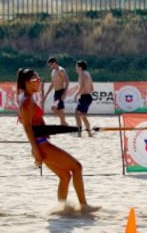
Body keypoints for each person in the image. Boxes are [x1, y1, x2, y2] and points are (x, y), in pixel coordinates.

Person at [17, 68, 101, 213]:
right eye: (35, 80)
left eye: (39, 78)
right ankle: (84, 205)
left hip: (40, 143)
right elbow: (27, 128)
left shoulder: (27, 98)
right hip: (41, 145)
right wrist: (36, 151)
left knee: (65, 175)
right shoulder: (27, 102)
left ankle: (61, 208)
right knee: (77, 167)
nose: (39, 81)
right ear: (26, 83)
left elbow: (35, 124)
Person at [43, 57, 69, 126]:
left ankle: (64, 122)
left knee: (53, 108)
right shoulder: (53, 71)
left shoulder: (61, 70)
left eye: (50, 65)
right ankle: (63, 123)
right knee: (60, 109)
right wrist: (46, 94)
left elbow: (67, 81)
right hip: (56, 92)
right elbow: (52, 84)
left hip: (61, 91)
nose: (50, 67)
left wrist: (64, 93)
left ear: (54, 63)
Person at [74, 60, 94, 137]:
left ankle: (79, 133)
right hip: (87, 96)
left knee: (77, 114)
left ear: (80, 67)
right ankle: (89, 133)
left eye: (76, 66)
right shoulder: (87, 73)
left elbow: (82, 86)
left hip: (85, 97)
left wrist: (76, 94)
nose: (75, 68)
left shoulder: (82, 74)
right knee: (83, 116)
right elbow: (92, 88)